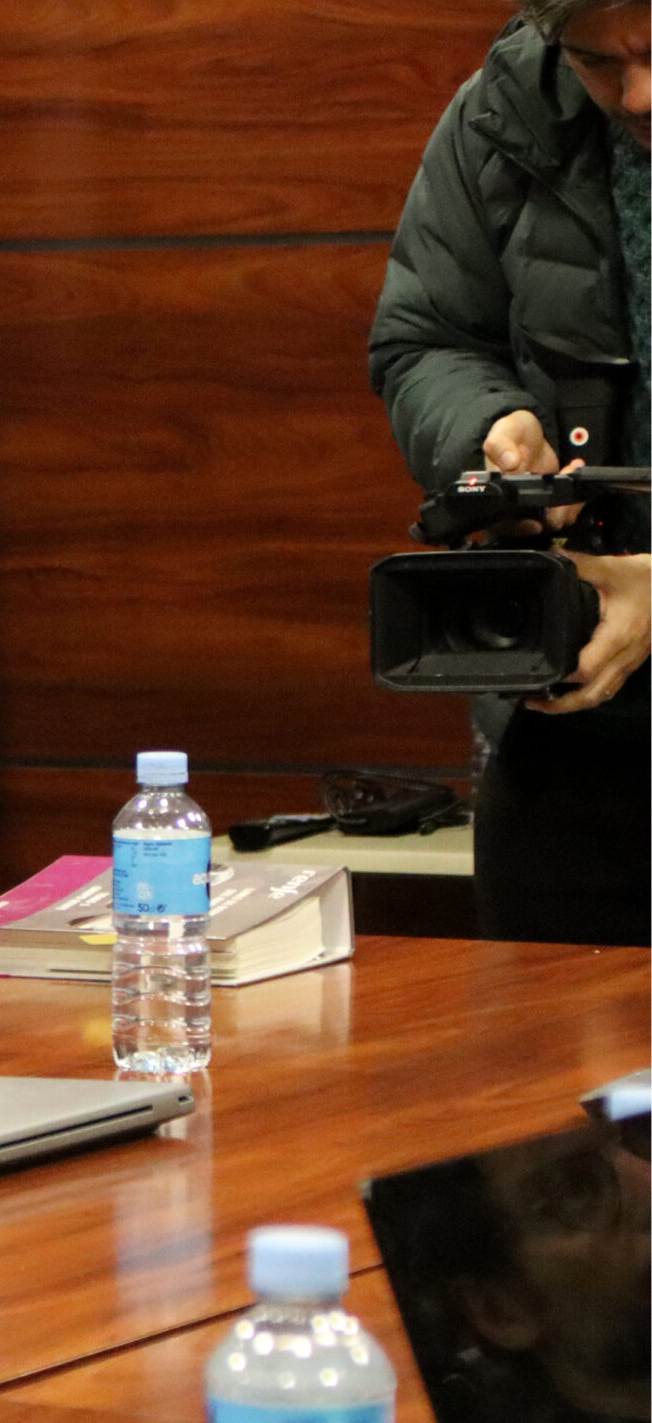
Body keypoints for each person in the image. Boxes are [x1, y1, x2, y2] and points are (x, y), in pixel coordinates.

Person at [369, 0, 650, 946]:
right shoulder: (501, 114)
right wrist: (490, 427)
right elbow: (425, 339)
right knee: (541, 1035)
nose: (637, 95)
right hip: (571, 734)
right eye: (598, 62)